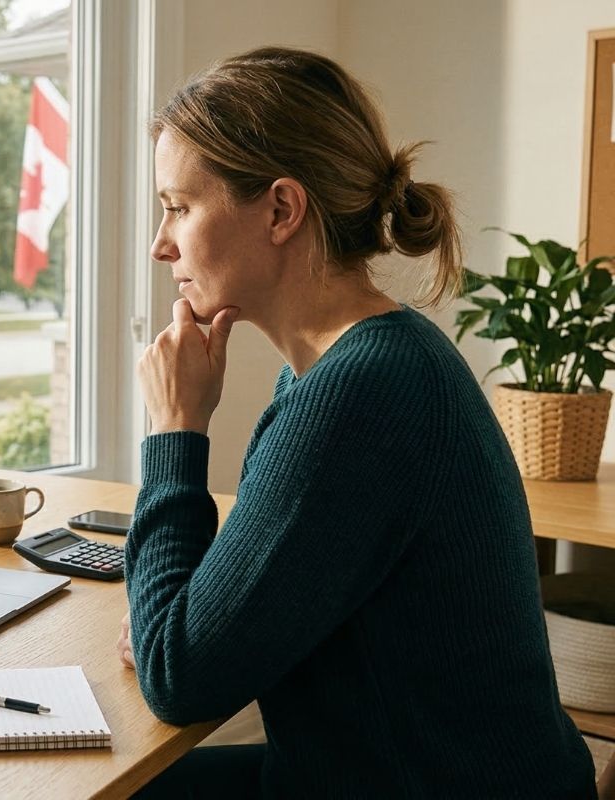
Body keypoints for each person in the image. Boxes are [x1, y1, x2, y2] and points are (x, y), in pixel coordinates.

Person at [117, 46, 597, 798]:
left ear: (281, 209)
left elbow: (178, 676)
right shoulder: (364, 360)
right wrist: (173, 629)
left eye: (179, 205)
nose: (161, 243)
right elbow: (207, 626)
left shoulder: (361, 394)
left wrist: (175, 432)